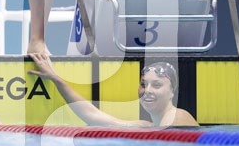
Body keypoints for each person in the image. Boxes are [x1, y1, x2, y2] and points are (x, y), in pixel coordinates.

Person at [29, 53, 199, 127]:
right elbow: (92, 115)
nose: (147, 90)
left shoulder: (178, 118)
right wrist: (56, 79)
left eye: (156, 85)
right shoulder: (147, 126)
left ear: (172, 92)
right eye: (143, 84)